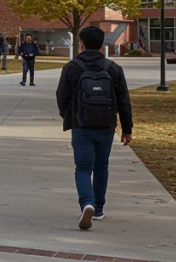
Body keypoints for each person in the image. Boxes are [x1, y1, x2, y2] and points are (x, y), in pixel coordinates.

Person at [56, 26, 133, 230]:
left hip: (82, 125)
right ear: (102, 45)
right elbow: (124, 101)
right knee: (101, 167)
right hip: (106, 125)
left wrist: (69, 116)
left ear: (81, 43)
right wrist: (127, 129)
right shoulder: (113, 68)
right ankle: (98, 208)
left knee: (83, 167)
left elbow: (61, 96)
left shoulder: (72, 67)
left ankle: (86, 203)